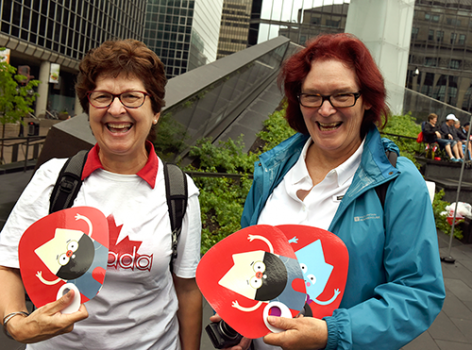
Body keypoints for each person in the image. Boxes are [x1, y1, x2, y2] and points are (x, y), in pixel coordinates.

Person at [212, 33, 446, 350]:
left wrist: (330, 333)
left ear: (366, 101)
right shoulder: (271, 171)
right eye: (312, 96)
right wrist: (241, 322)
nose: (325, 110)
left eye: (341, 96)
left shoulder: (398, 183)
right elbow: (253, 263)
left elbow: (418, 293)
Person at [0, 40, 202, 350]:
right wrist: (15, 323)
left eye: (132, 97)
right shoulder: (55, 179)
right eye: (103, 96)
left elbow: (187, 289)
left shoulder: (179, 191)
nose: (116, 109)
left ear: (156, 110)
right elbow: (7, 262)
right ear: (89, 106)